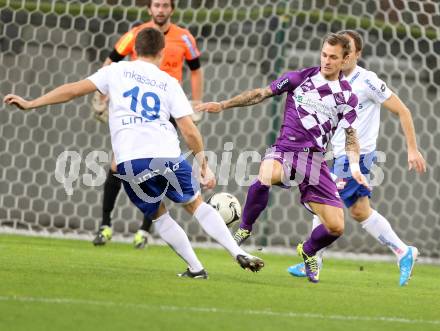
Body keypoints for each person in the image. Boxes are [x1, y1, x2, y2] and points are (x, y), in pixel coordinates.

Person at [4, 27, 264, 278]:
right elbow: (189, 131)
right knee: (195, 204)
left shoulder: (115, 71)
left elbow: (72, 90)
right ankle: (237, 251)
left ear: (133, 51)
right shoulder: (169, 82)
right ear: (162, 53)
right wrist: (203, 165)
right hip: (168, 157)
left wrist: (32, 103)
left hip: (130, 163)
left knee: (159, 214)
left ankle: (196, 268)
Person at [196, 33, 369, 283]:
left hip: (315, 162)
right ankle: (245, 227)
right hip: (286, 149)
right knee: (266, 174)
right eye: (324, 54)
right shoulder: (299, 78)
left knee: (336, 227)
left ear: (345, 60)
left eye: (333, 57)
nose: (327, 60)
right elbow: (260, 94)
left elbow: (351, 136)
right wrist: (223, 105)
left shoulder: (347, 97)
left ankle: (308, 250)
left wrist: (354, 166)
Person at [287, 30, 426, 286]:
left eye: (348, 49)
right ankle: (403, 251)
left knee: (324, 200)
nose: (344, 53)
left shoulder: (367, 81)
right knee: (360, 212)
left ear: (356, 54)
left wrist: (412, 149)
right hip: (336, 154)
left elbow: (403, 111)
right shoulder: (329, 81)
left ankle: (313, 256)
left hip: (358, 157)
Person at [93, 0, 204, 249]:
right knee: (116, 163)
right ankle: (105, 224)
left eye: (165, 5)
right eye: (156, 5)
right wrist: (101, 96)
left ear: (172, 10)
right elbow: (111, 60)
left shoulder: (184, 38)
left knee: (159, 167)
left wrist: (196, 103)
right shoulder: (136, 34)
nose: (161, 10)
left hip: (165, 109)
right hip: (136, 109)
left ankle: (144, 231)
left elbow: (196, 69)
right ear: (149, 9)